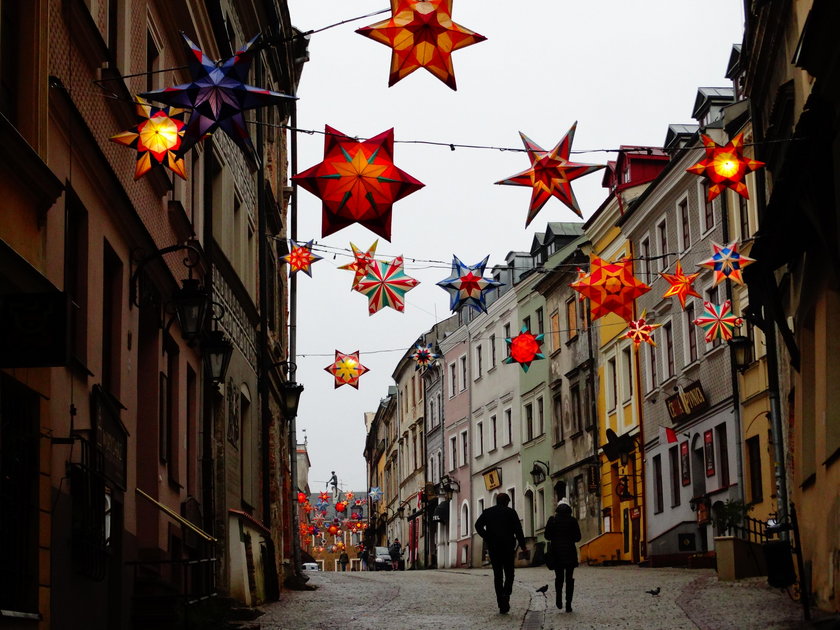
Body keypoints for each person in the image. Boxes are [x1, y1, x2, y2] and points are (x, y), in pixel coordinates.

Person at [474, 493, 527, 614]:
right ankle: (506, 594)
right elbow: (518, 530)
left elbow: (477, 525)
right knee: (509, 573)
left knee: (498, 575)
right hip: (508, 548)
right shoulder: (511, 512)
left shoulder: (488, 512)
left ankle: (500, 601)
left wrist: (487, 536)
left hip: (494, 547)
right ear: (507, 502)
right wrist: (523, 546)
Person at [544, 499, 581, 612]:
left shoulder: (553, 520)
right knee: (569, 578)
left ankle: (558, 599)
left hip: (556, 553)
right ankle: (568, 604)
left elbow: (547, 536)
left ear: (557, 509)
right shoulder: (572, 521)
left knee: (559, 578)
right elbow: (578, 537)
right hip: (569, 553)